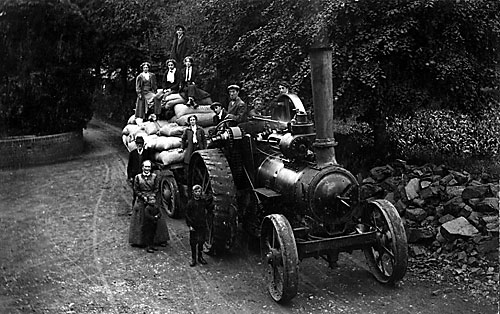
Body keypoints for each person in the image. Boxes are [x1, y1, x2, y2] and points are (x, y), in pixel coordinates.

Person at [129, 160, 161, 253]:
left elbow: (156, 188)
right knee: (142, 221)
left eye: (149, 167)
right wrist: (143, 197)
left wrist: (152, 197)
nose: (147, 169)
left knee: (155, 221)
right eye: (145, 167)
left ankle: (155, 241)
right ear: (142, 167)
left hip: (152, 199)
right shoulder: (138, 177)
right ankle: (141, 241)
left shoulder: (155, 177)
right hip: (142, 200)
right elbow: (136, 189)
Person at [185, 184, 210, 266]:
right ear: (193, 193)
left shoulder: (203, 202)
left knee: (201, 242)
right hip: (194, 225)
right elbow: (187, 215)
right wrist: (190, 225)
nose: (198, 193)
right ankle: (193, 259)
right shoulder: (190, 203)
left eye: (199, 191)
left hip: (202, 224)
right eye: (196, 191)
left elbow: (209, 208)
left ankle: (200, 257)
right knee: (193, 242)